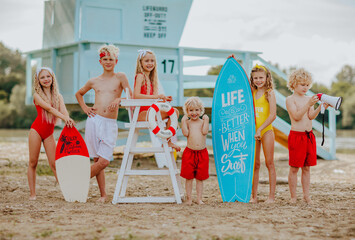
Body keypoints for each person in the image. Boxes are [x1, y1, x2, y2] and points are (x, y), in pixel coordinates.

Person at [75, 44, 132, 202]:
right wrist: (85, 108)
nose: (108, 62)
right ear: (100, 61)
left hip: (109, 123)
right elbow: (79, 94)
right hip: (94, 120)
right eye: (105, 59)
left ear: (116, 61)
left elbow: (130, 95)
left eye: (111, 59)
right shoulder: (94, 81)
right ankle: (103, 195)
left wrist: (119, 99)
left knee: (104, 160)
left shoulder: (120, 77)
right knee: (96, 160)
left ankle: (77, 181)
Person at [28, 67, 75, 200]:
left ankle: (67, 193)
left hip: (49, 133)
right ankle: (33, 194)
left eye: (48, 76)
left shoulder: (58, 96)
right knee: (33, 162)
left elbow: (64, 111)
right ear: (38, 81)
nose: (46, 79)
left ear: (52, 77)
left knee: (55, 164)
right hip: (36, 131)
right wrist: (64, 118)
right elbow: (48, 108)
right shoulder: (37, 95)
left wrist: (68, 119)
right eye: (42, 77)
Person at [286, 68, 328, 204]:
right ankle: (293, 197)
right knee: (294, 168)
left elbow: (310, 116)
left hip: (308, 136)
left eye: (307, 85)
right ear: (293, 84)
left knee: (307, 167)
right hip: (296, 136)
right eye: (302, 84)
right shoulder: (290, 99)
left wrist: (320, 108)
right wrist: (308, 104)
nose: (305, 87)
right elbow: (297, 116)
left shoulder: (308, 99)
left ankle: (306, 195)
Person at [133, 49, 180, 151]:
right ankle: (168, 142)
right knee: (173, 112)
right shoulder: (140, 76)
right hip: (141, 114)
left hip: (150, 112)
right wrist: (157, 97)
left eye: (152, 61)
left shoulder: (151, 79)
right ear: (140, 62)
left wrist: (162, 99)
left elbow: (152, 100)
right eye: (147, 61)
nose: (150, 63)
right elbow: (136, 95)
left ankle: (167, 142)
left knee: (174, 112)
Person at [249, 64, 277, 204]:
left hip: (266, 131)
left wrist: (260, 129)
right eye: (255, 78)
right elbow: (239, 77)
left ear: (267, 77)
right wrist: (234, 61)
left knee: (269, 163)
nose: (258, 80)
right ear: (252, 79)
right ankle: (254, 197)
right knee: (255, 165)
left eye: (261, 77)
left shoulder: (269, 93)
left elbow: (273, 115)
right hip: (253, 132)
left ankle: (271, 197)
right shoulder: (251, 92)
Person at [180, 97, 209, 205]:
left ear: (201, 111)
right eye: (191, 110)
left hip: (202, 152)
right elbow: (185, 134)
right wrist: (183, 121)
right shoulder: (187, 122)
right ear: (187, 111)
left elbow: (205, 131)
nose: (194, 113)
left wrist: (206, 120)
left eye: (197, 110)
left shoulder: (202, 122)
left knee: (200, 178)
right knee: (189, 177)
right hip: (190, 152)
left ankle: (199, 199)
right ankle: (189, 199)